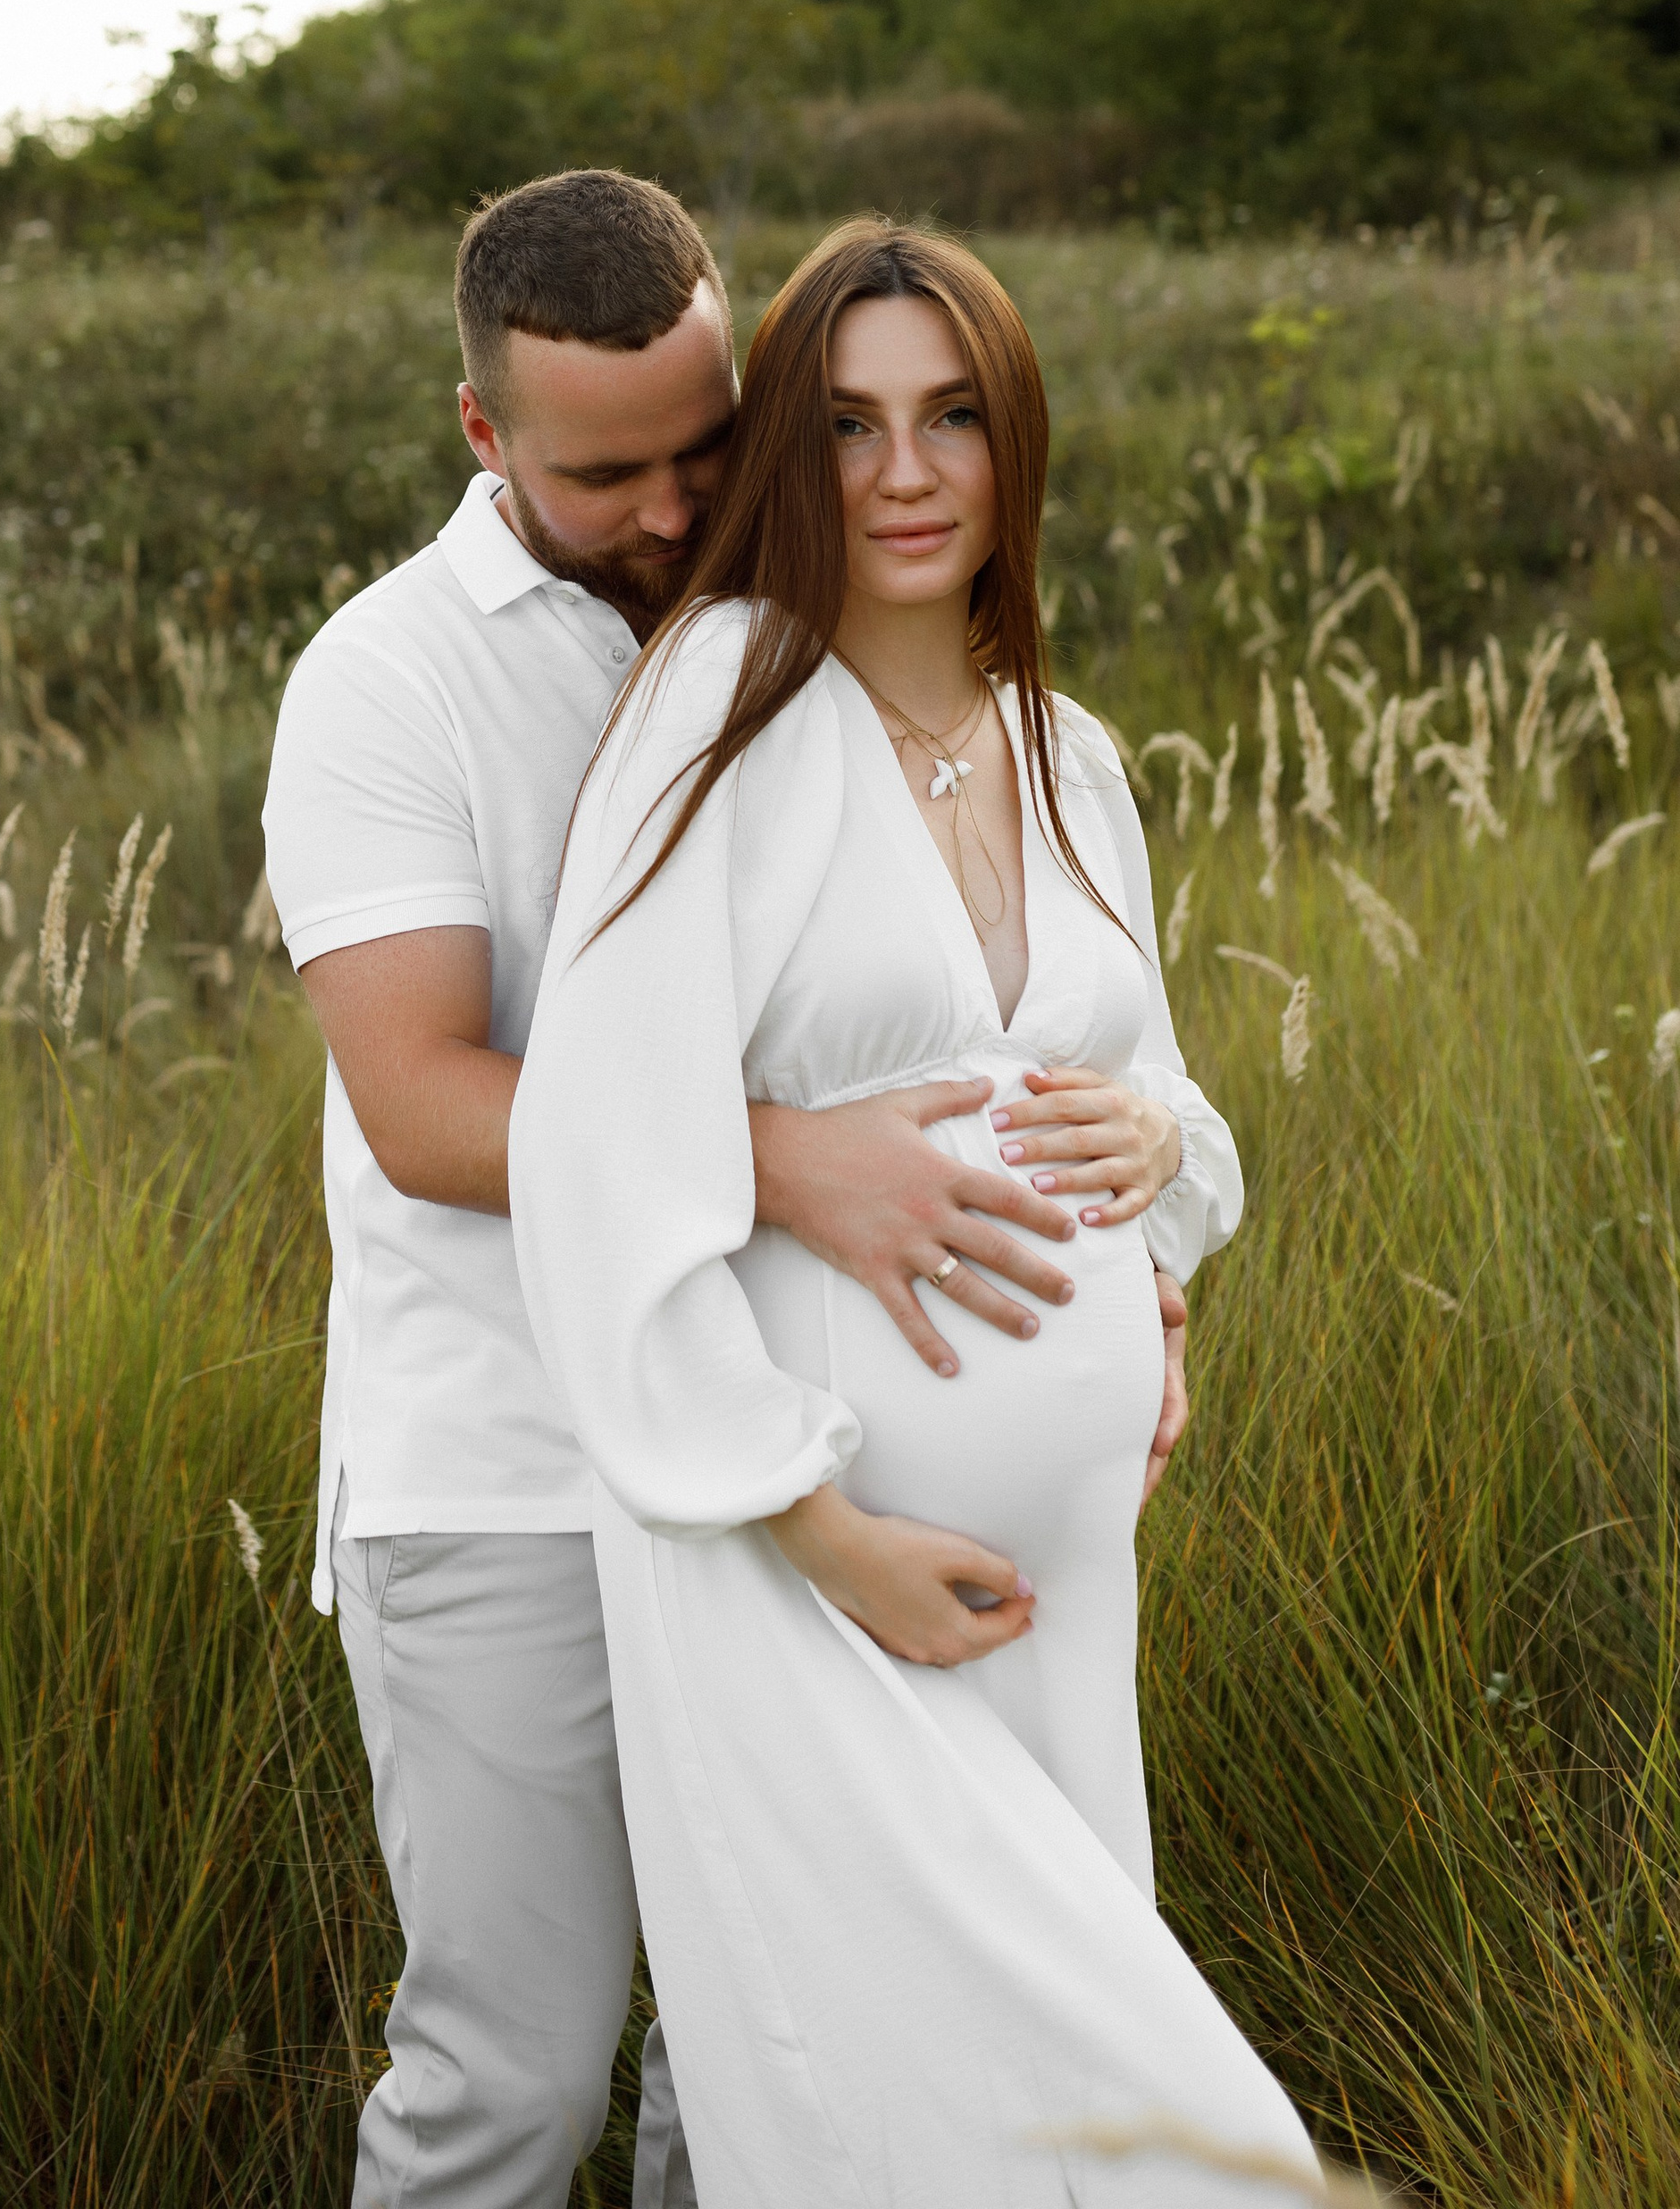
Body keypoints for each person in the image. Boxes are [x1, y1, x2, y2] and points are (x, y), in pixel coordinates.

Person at [262, 173, 1201, 2209]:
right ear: (482, 434)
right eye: (611, 472)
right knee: (512, 2069)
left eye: (711, 443)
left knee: (766, 2049)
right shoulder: (392, 679)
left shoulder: (924, 703)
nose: (679, 507)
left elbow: (1079, 1068)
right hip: (509, 1458)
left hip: (828, 1469)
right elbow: (427, 1105)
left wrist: (1149, 1252)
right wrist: (787, 1168)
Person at [509, 218, 1319, 2207]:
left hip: (1055, 1589)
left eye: (950, 415)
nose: (900, 472)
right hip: (808, 1571)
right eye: (850, 422)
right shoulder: (720, 704)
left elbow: (1143, 1082)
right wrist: (816, 1524)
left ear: (1011, 440)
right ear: (787, 446)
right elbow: (593, 1164)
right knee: (1062, 2135)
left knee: (1037, 2131)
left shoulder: (1071, 753)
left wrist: (1157, 1169)